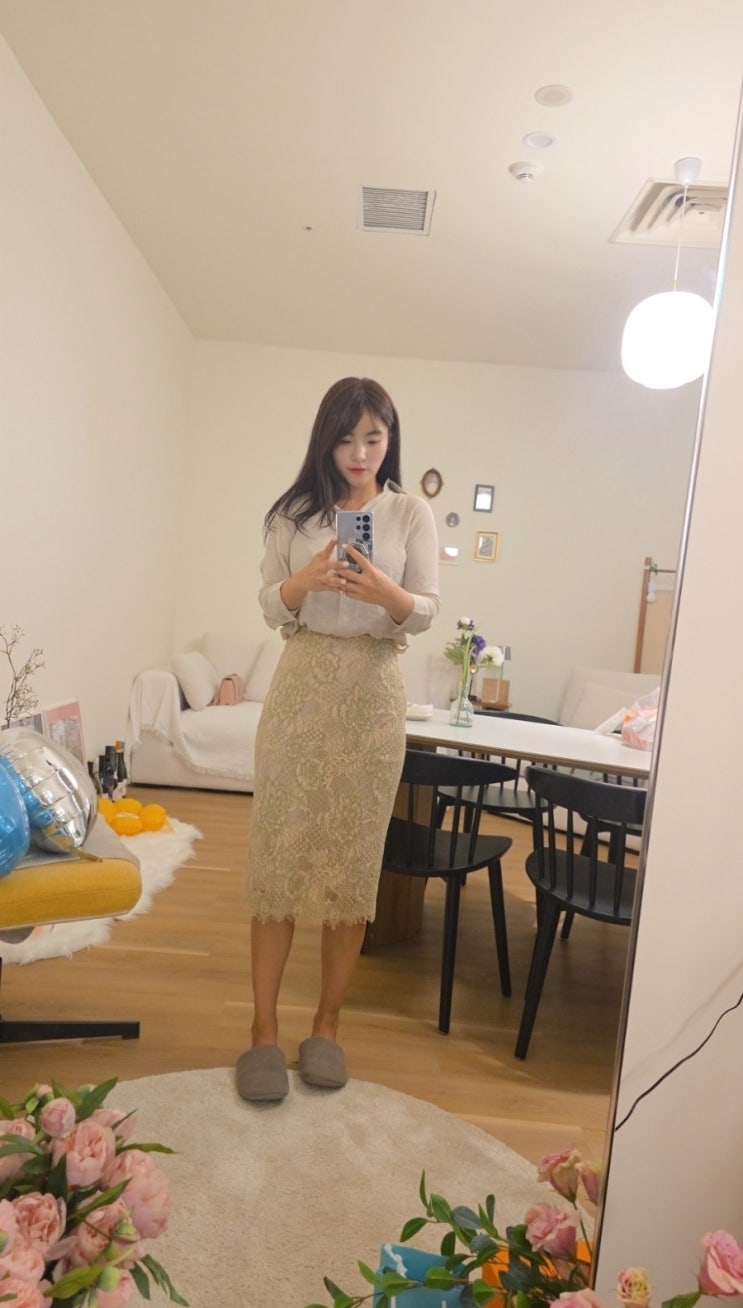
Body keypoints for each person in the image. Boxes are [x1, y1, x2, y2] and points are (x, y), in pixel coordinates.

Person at [237, 376, 440, 1102]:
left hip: (372, 694)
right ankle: (263, 1029)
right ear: (325, 439)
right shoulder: (292, 514)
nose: (359, 453)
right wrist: (307, 583)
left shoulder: (409, 512)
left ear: (389, 440)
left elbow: (426, 609)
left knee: (350, 867)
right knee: (278, 857)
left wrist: (385, 593)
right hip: (302, 686)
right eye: (346, 438)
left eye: (373, 438)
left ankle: (326, 1025)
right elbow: (271, 604)